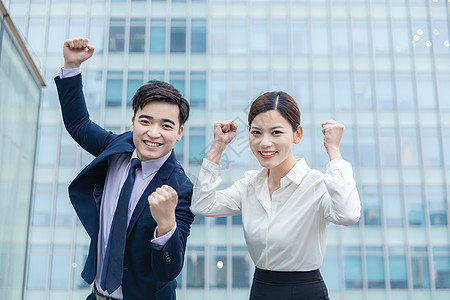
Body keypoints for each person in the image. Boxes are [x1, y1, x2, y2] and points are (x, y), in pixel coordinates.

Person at [55, 38, 194, 300]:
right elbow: (79, 124)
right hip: (96, 294)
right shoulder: (118, 147)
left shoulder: (181, 187)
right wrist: (72, 66)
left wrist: (166, 224)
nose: (153, 133)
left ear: (179, 133)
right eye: (146, 121)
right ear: (133, 123)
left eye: (166, 125)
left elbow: (169, 270)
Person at [190, 91, 361, 300]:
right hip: (262, 289)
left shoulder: (315, 185)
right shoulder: (249, 185)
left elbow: (349, 215)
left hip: (305, 292)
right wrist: (218, 147)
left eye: (276, 133)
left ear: (297, 135)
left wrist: (333, 149)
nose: (264, 143)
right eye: (256, 133)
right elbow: (202, 205)